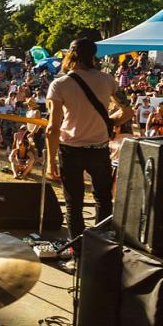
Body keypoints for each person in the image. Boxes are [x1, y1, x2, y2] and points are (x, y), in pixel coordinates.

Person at [46, 39, 126, 237]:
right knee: (103, 200)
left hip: (70, 149)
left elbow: (52, 128)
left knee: (74, 204)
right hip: (99, 149)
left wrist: (50, 162)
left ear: (70, 56)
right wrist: (109, 123)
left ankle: (77, 253)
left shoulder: (60, 84)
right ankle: (100, 247)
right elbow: (128, 111)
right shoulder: (108, 80)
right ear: (93, 56)